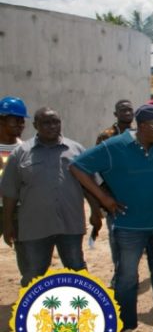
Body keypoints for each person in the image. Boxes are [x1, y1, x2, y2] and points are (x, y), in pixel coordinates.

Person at [70, 104, 153, 332]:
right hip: (129, 227)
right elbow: (77, 166)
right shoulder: (113, 147)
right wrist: (103, 198)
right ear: (142, 127)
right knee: (127, 278)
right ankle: (127, 327)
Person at [1, 107, 94, 287]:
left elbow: (89, 186)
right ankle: (31, 312)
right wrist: (8, 225)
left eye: (56, 122)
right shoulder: (20, 154)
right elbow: (9, 193)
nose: (52, 126)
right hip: (35, 227)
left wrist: (96, 212)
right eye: (46, 123)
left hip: (70, 224)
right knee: (34, 274)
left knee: (76, 269)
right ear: (35, 125)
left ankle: (82, 310)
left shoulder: (76, 150)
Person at [95, 99, 135, 287]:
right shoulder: (106, 136)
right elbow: (98, 164)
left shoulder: (138, 134)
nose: (127, 113)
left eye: (129, 110)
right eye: (123, 110)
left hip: (138, 194)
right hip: (115, 195)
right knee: (116, 236)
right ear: (115, 114)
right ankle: (119, 273)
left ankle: (131, 273)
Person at [0, 97, 29, 256]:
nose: (20, 125)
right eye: (15, 121)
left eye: (22, 121)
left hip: (19, 208)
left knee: (27, 256)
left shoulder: (25, 150)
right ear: (2, 121)